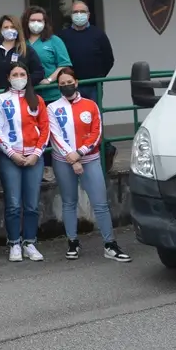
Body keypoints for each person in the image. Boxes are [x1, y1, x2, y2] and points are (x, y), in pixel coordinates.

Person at [48, 69, 131, 262]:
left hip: (89, 159)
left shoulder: (90, 105)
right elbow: (55, 135)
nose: (65, 85)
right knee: (69, 202)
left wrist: (80, 153)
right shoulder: (52, 108)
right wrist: (72, 158)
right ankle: (72, 241)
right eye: (62, 83)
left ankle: (110, 244)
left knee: (100, 204)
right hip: (63, 161)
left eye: (69, 81)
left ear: (76, 82)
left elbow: (97, 133)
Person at [0, 63, 50, 263]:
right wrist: (11, 153)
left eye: (22, 74)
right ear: (8, 77)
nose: (19, 77)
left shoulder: (37, 100)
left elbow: (45, 128)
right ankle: (14, 243)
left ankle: (30, 242)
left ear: (28, 76)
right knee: (14, 204)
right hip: (11, 158)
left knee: (32, 204)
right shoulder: (0, 100)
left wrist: (36, 153)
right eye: (15, 74)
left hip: (34, 156)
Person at [56, 1, 115, 102]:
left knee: (94, 114)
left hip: (93, 85)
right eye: (76, 12)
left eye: (82, 11)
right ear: (71, 15)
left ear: (88, 15)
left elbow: (109, 59)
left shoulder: (98, 34)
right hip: (70, 85)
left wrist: (99, 76)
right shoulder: (63, 36)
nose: (79, 14)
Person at [0, 16, 46, 97]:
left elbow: (39, 72)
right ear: (0, 30)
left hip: (21, 97)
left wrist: (23, 83)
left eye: (13, 27)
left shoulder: (26, 50)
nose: (9, 30)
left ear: (18, 29)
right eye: (6, 27)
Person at [23, 6, 73, 103]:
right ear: (26, 22)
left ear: (45, 23)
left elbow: (64, 65)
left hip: (51, 95)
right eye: (32, 20)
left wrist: (49, 80)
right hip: (27, 95)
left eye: (39, 20)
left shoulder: (54, 40)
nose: (36, 23)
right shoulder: (21, 42)